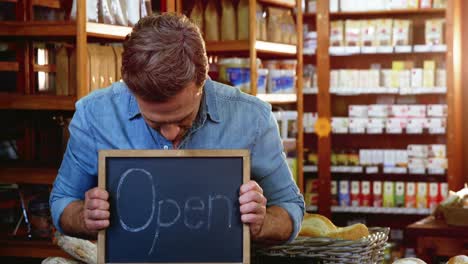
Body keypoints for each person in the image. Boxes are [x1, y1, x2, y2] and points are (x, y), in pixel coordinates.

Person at [50, 13, 304, 244]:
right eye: (154, 123)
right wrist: (84, 217)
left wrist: (263, 223)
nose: (171, 135)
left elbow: (290, 207)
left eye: (183, 120)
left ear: (202, 81)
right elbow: (61, 202)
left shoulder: (252, 119)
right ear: (129, 86)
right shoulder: (94, 116)